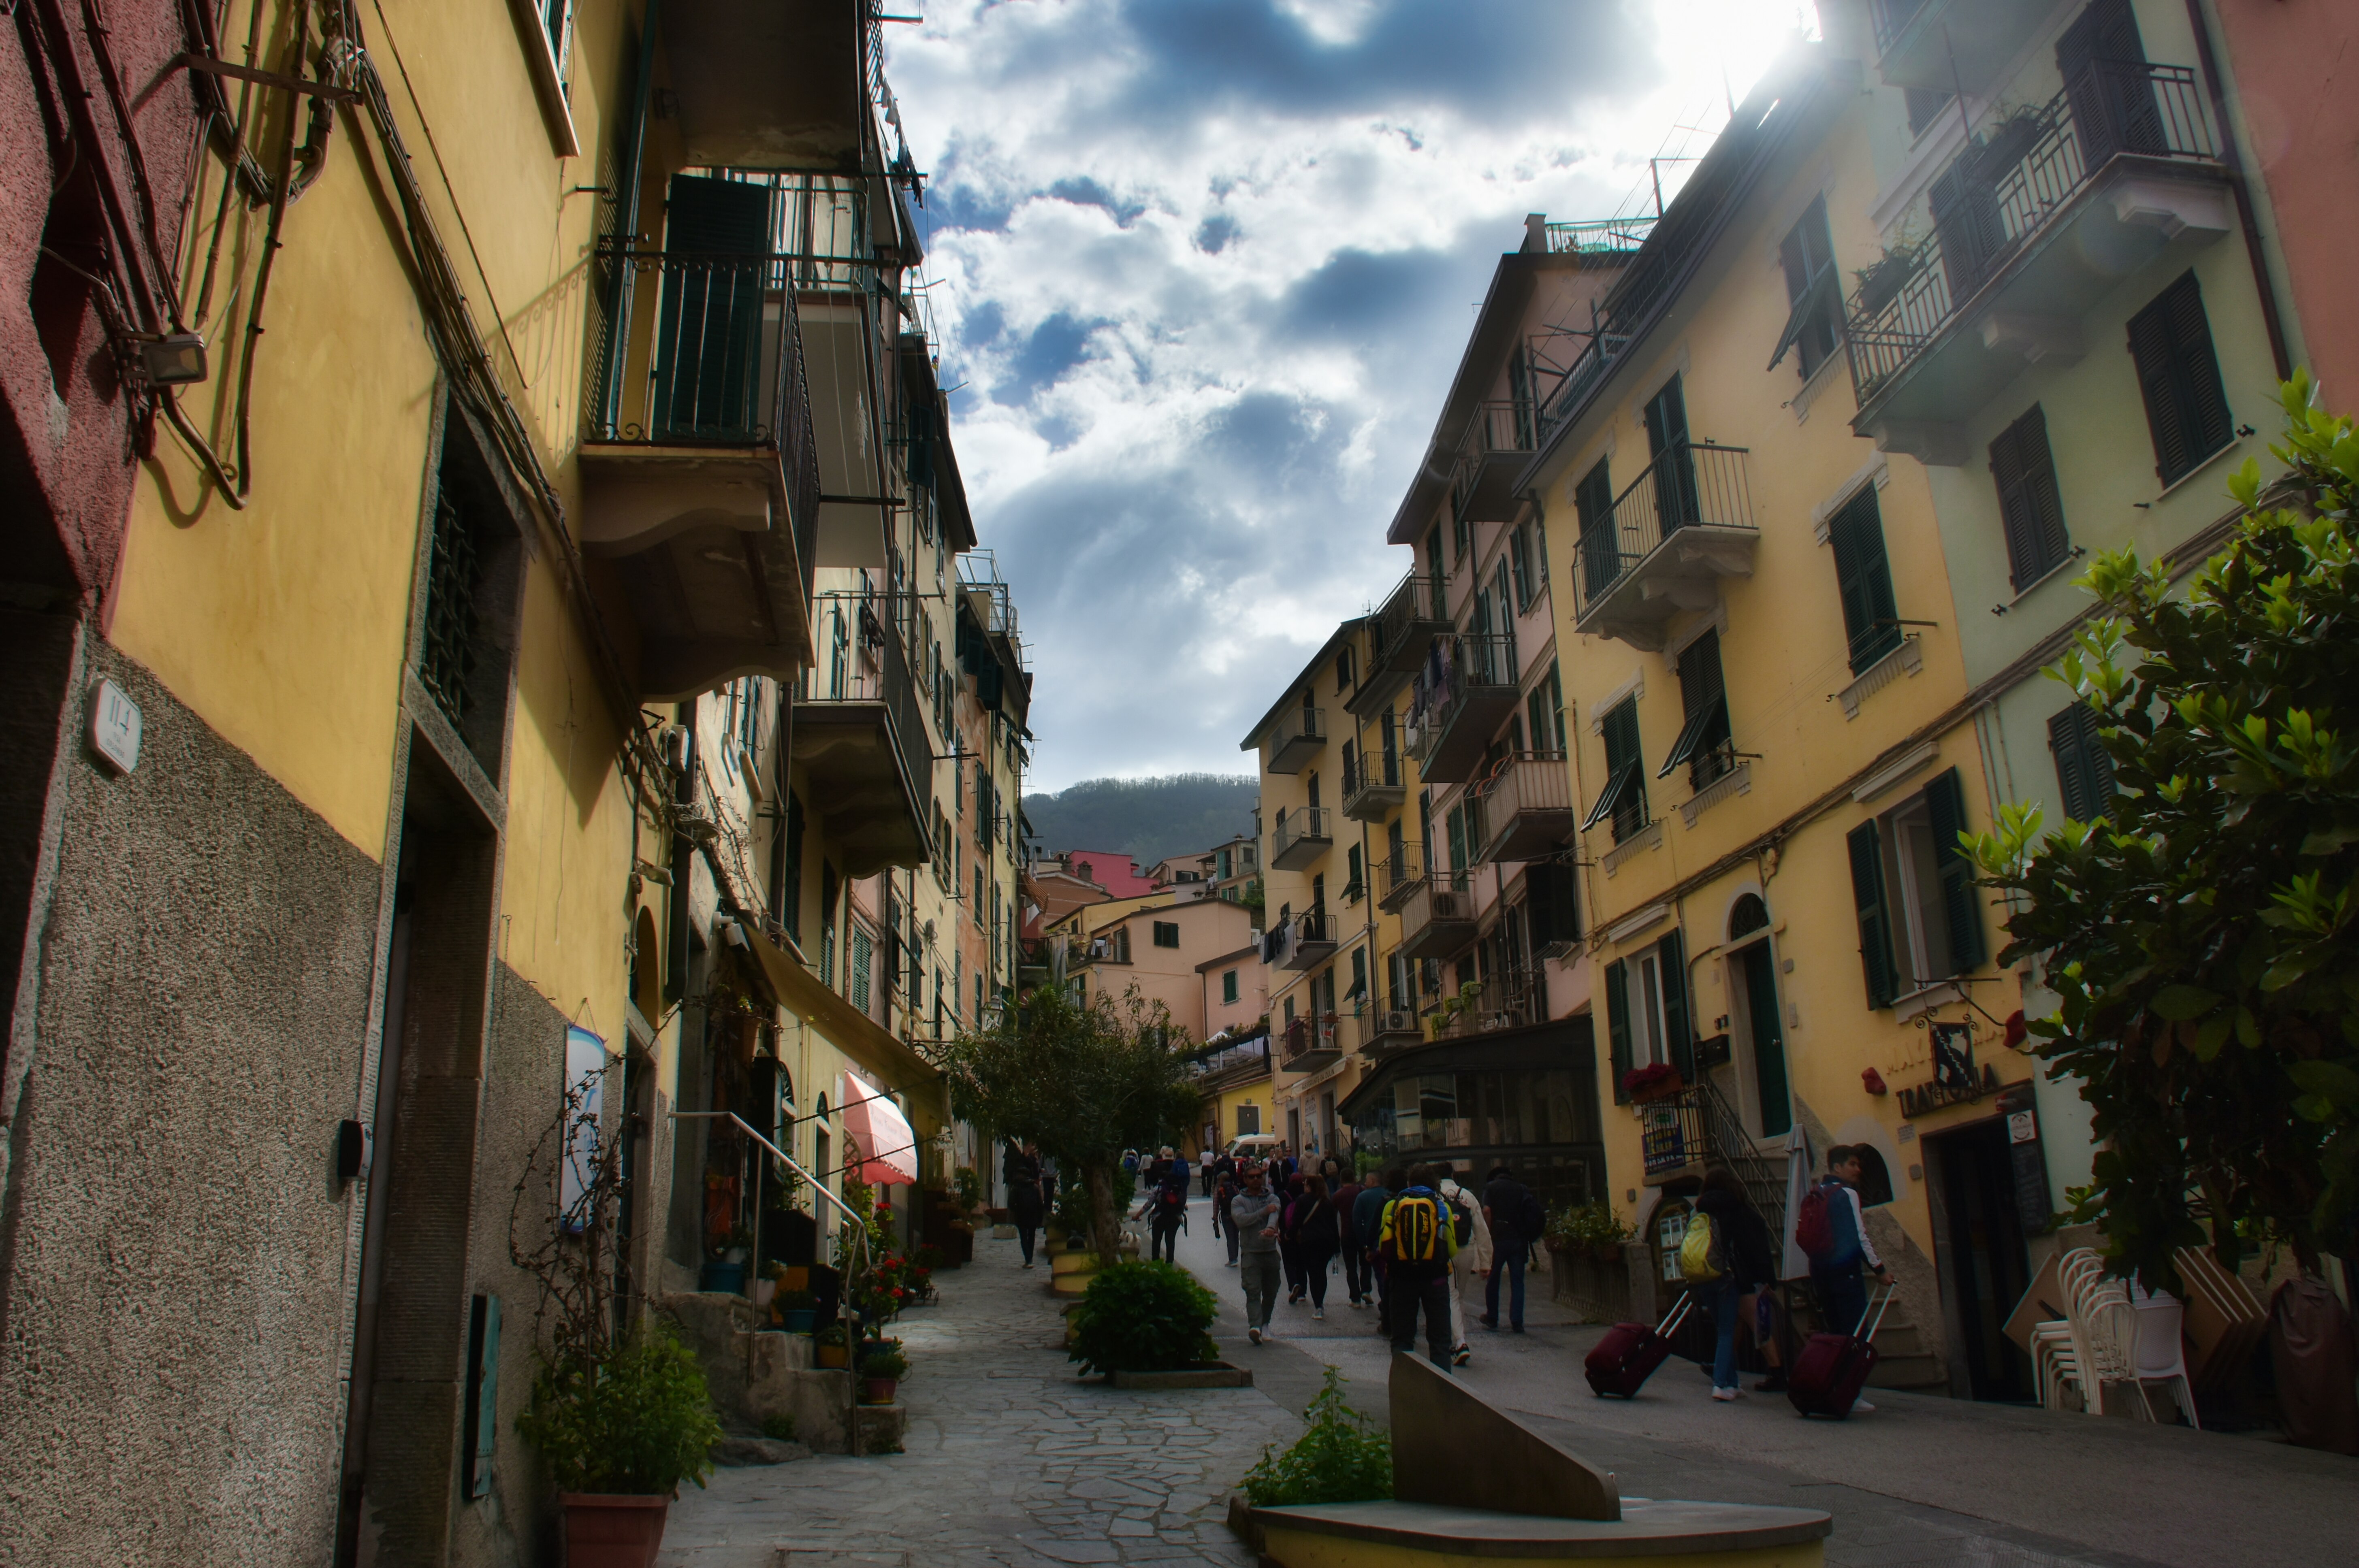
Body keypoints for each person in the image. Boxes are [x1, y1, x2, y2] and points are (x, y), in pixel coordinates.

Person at [1807, 1145, 1892, 1414]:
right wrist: (1880, 1270)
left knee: (1834, 1334)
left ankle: (1831, 1387)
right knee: (1856, 1334)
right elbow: (1860, 1236)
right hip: (1846, 1273)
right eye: (1853, 1164)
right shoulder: (1848, 1194)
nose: (1858, 1170)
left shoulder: (1816, 1192)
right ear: (1837, 1168)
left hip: (1821, 1272)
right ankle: (1851, 1393)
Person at [1694, 1168, 1777, 1401]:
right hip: (1730, 1277)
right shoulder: (1737, 1210)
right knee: (1733, 1329)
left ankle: (1731, 1381)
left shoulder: (1700, 1209)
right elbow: (1752, 1246)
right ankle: (1722, 1383)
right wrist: (1766, 1277)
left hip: (1704, 1275)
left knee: (1726, 1327)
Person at [1380, 1163, 1460, 1368]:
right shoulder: (1442, 1207)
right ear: (1434, 1184)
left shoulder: (1392, 1206)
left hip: (1401, 1279)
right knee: (1440, 1341)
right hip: (1435, 1279)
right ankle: (1441, 1385)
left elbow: (1384, 1246)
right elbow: (1451, 1250)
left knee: (1402, 1339)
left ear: (1409, 1183)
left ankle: (1404, 1384)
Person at [1479, 1165, 1542, 1334]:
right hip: (1518, 1239)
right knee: (1518, 1282)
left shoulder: (1490, 1188)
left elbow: (1487, 1210)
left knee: (1493, 1280)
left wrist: (1488, 1233)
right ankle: (1517, 1321)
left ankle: (1492, 1317)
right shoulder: (1521, 1189)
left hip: (1498, 1240)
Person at [1437, 1168, 1490, 1366]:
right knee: (1460, 1295)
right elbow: (1482, 1230)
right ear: (1453, 1175)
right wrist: (1485, 1263)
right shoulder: (1467, 1196)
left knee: (1451, 1295)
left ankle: (1460, 1343)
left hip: (1446, 1251)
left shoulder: (1434, 1196)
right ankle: (1458, 1338)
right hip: (1467, 1250)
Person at [1230, 1162, 1285, 1344]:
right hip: (1251, 1252)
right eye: (1252, 1177)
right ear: (1245, 1179)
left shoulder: (1272, 1198)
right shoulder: (1238, 1201)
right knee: (1253, 1291)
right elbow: (1241, 1220)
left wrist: (1270, 1228)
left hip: (1270, 1251)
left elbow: (1275, 1214)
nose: (1256, 1180)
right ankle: (1255, 1326)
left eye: (1259, 1176)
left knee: (1271, 1292)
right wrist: (1262, 1213)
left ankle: (1265, 1324)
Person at [1290, 1174, 1342, 1318]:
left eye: (1306, 1184)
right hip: (1326, 1241)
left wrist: (1290, 1235)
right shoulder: (1327, 1202)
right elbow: (1333, 1225)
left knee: (1313, 1274)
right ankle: (1320, 1302)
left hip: (1309, 1241)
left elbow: (1297, 1222)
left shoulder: (1302, 1200)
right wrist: (1337, 1246)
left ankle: (1318, 1306)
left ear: (1309, 1186)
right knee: (1321, 1272)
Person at [1354, 1169, 1399, 1333]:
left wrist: (1365, 1245)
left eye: (1367, 1180)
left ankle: (1387, 1311)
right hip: (1397, 1245)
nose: (1365, 1183)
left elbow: (1358, 1222)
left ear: (1373, 1181)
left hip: (1378, 1245)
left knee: (1382, 1277)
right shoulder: (1393, 1197)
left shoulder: (1364, 1197)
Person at [1333, 1167, 1368, 1308]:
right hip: (1363, 1232)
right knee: (1366, 1263)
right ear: (1354, 1178)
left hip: (1347, 1233)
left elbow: (1333, 1216)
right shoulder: (1362, 1190)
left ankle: (1355, 1298)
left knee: (1351, 1267)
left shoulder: (1338, 1195)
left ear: (1341, 1180)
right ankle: (1366, 1290)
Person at [1006, 1142, 1044, 1268]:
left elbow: (1011, 1203)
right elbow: (1040, 1204)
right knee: (1031, 1236)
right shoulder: (1034, 1188)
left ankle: (1028, 1259)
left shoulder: (1016, 1188)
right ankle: (1030, 1258)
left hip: (1021, 1215)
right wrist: (1040, 1218)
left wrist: (1015, 1212)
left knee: (1024, 1237)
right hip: (1033, 1215)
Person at [1214, 1157, 1242, 1266]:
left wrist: (1215, 1217)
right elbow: (1240, 1201)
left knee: (1230, 1237)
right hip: (1236, 1215)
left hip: (1226, 1215)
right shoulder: (1234, 1188)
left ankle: (1232, 1259)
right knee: (1236, 1237)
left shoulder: (1219, 1190)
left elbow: (1216, 1204)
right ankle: (1235, 1257)